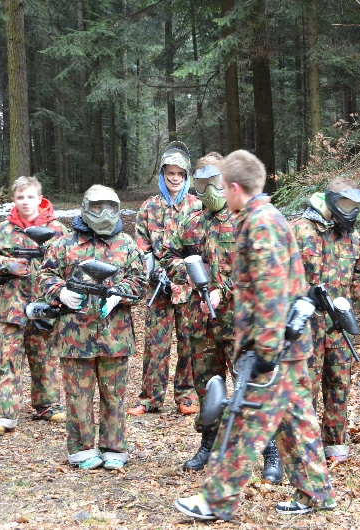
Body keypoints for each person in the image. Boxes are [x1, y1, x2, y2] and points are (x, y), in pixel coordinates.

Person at [173, 150, 335, 521]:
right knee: (296, 420)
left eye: (220, 186)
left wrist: (264, 350)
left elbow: (271, 289)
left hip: (274, 347)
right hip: (287, 346)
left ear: (233, 187)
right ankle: (316, 493)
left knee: (244, 422)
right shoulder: (263, 217)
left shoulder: (260, 223)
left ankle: (216, 501)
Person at [163, 153, 282, 483]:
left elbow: (253, 270)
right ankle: (209, 444)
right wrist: (190, 273)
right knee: (206, 386)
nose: (208, 191)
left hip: (237, 321)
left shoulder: (244, 219)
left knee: (252, 387)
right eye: (201, 184)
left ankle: (271, 452)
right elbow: (168, 255)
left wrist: (222, 290)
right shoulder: (191, 220)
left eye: (213, 182)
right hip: (200, 320)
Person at [38, 185, 147, 470]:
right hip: (75, 335)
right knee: (78, 397)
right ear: (86, 208)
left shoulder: (126, 243)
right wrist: (60, 292)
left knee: (114, 394)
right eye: (97, 208)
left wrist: (119, 294)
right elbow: (46, 275)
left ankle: (114, 448)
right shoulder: (64, 243)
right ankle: (82, 449)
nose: (104, 213)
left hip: (115, 334)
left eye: (110, 207)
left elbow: (140, 280)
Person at [292, 178, 360, 462]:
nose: (352, 212)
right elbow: (281, 275)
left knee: (339, 383)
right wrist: (304, 292)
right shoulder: (299, 230)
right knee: (306, 385)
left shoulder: (353, 238)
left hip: (339, 325)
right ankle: (305, 444)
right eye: (347, 205)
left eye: (355, 206)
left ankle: (334, 442)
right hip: (307, 326)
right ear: (332, 201)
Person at [0, 176, 69, 436]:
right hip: (12, 308)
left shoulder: (57, 229)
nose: (26, 202)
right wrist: (8, 265)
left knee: (45, 358)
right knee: (7, 359)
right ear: (13, 200)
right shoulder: (2, 231)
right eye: (20, 197)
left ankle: (48, 405)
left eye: (30, 197)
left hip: (44, 305)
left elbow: (71, 261)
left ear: (40, 199)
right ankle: (3, 415)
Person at [128, 141, 202, 416]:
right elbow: (141, 247)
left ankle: (186, 395)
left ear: (186, 176)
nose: (175, 178)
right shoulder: (149, 208)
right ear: (162, 174)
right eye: (170, 173)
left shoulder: (197, 207)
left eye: (180, 174)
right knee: (155, 344)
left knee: (188, 342)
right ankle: (150, 397)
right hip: (158, 288)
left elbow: (204, 246)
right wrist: (152, 270)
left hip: (188, 287)